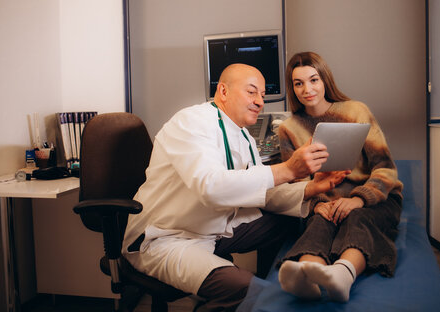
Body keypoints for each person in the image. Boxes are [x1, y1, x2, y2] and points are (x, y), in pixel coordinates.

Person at [122, 63, 346, 311]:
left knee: (291, 220)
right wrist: (288, 170)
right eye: (251, 92)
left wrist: (312, 189)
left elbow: (263, 193)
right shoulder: (191, 122)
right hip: (167, 237)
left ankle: (275, 283)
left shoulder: (244, 137)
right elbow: (210, 187)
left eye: (262, 95)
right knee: (243, 289)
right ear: (224, 91)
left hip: (212, 228)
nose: (260, 101)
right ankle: (258, 293)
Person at [277, 52, 403, 303]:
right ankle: (305, 278)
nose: (307, 89)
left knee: (357, 218)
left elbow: (385, 167)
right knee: (318, 223)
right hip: (325, 201)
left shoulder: (356, 111)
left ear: (325, 80)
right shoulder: (288, 129)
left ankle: (342, 275)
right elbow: (296, 182)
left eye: (313, 80)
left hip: (375, 199)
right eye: (298, 83)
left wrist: (359, 199)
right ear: (292, 88)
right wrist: (317, 204)